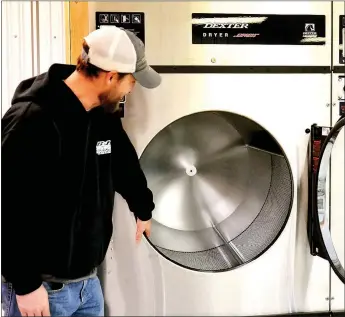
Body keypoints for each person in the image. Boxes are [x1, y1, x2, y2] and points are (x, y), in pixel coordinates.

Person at [1, 26, 161, 316]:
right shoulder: (32, 120)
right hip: (44, 292)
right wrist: (26, 286)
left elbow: (122, 162)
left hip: (88, 286)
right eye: (132, 81)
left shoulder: (102, 114)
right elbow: (6, 206)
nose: (131, 89)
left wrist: (143, 207)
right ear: (111, 76)